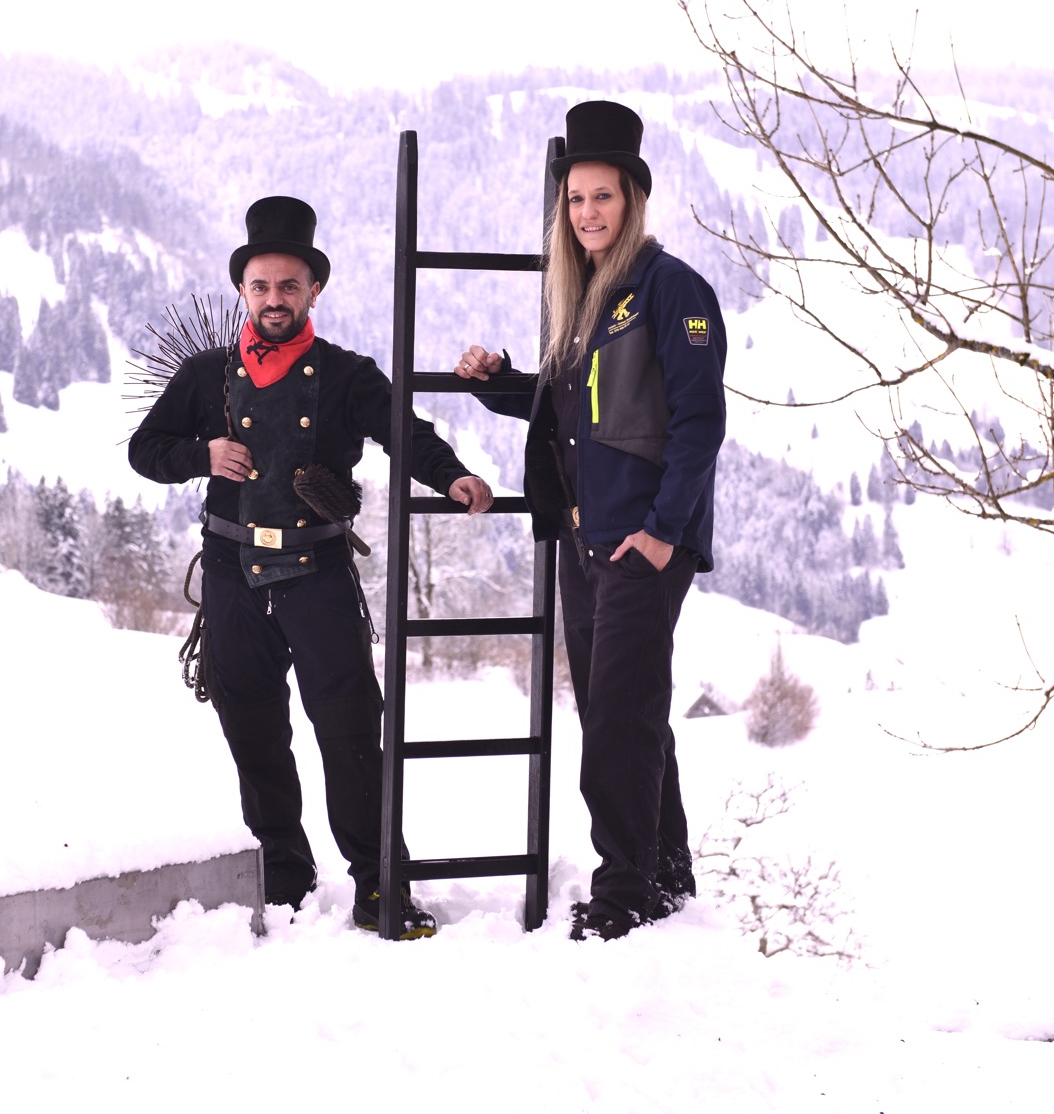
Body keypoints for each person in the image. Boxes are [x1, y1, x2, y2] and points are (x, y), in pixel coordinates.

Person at [131, 195, 493, 939]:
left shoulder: (347, 375)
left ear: (314, 290)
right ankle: (285, 880)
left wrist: (452, 476)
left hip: (319, 575)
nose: (275, 298)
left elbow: (406, 432)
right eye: (261, 286)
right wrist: (201, 454)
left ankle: (379, 885)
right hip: (231, 576)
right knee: (254, 734)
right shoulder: (204, 375)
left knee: (353, 734)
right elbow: (145, 450)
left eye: (289, 286)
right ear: (242, 289)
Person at [456, 100, 727, 941]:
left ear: (633, 199)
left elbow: (700, 422)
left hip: (641, 543)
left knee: (616, 719)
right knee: (626, 713)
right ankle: (666, 877)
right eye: (575, 198)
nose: (587, 212)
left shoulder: (670, 289)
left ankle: (620, 897)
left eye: (602, 195)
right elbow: (568, 409)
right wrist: (497, 381)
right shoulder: (584, 300)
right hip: (584, 540)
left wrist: (663, 532)